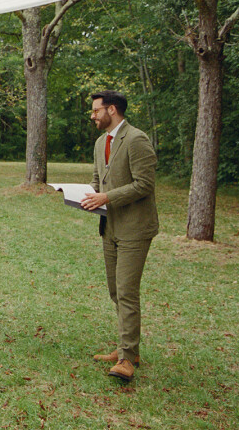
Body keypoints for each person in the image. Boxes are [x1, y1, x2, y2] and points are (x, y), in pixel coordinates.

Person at [81, 90, 158, 381]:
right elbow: (97, 181)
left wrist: (106, 198)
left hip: (135, 229)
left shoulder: (137, 139)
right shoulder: (101, 142)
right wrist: (84, 195)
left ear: (112, 110)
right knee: (116, 291)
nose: (93, 116)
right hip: (109, 227)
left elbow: (144, 184)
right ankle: (129, 348)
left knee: (126, 292)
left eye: (96, 111)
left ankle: (127, 360)